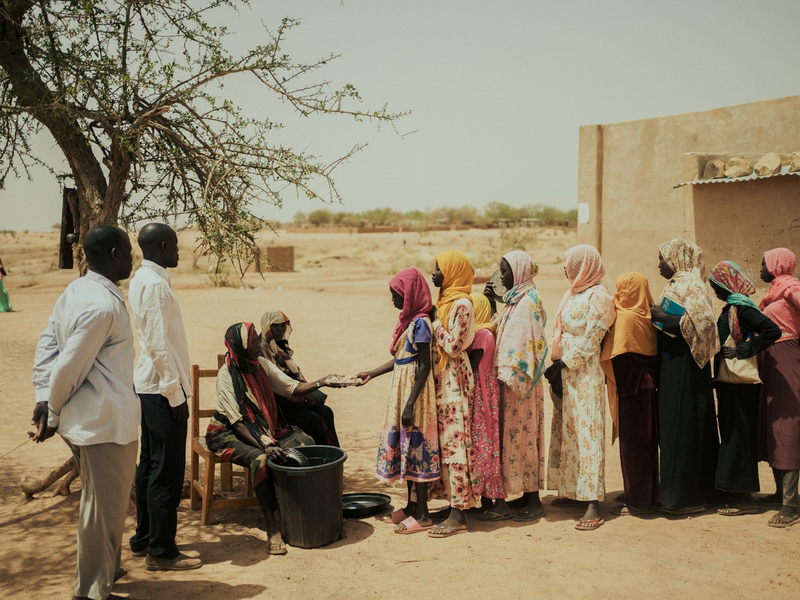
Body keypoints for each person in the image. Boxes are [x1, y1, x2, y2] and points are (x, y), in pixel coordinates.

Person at [30, 224, 139, 600]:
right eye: (129, 252)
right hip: (103, 423)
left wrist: (43, 397)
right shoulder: (101, 305)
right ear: (114, 255)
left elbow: (47, 344)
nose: (132, 258)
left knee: (106, 503)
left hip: (90, 421)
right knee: (101, 509)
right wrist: (51, 411)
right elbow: (69, 366)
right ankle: (91, 591)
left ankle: (107, 569)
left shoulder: (77, 290)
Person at [205, 322, 338, 554]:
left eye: (258, 339)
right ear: (241, 346)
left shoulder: (261, 364)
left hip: (262, 428)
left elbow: (292, 388)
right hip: (227, 432)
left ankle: (299, 509)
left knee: (305, 443)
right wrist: (266, 445)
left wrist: (322, 381)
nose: (259, 344)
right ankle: (272, 527)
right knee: (262, 460)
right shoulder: (226, 376)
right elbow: (238, 423)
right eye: (253, 341)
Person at [127, 224, 202, 571]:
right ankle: (161, 551)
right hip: (161, 390)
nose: (178, 251)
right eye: (174, 245)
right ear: (162, 246)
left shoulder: (143, 278)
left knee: (149, 465)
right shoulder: (155, 285)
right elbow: (158, 345)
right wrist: (175, 395)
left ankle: (145, 539)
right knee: (166, 472)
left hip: (149, 386)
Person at [356, 268, 440, 534]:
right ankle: (412, 507)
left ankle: (424, 514)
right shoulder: (409, 322)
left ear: (410, 295)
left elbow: (424, 366)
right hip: (403, 391)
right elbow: (402, 359)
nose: (393, 300)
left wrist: (410, 403)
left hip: (415, 394)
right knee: (407, 448)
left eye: (397, 295)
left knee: (417, 449)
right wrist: (372, 373)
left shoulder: (421, 323)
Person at [545, 244, 615, 531]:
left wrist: (564, 363)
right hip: (566, 374)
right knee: (569, 430)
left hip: (586, 374)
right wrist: (557, 365)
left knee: (589, 433)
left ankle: (593, 504)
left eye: (569, 264)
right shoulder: (573, 293)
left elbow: (593, 338)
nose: (565, 269)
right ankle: (573, 491)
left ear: (583, 265)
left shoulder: (599, 296)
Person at [649, 239, 719, 515]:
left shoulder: (692, 286)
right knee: (672, 426)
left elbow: (705, 325)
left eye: (662, 258)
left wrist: (665, 318)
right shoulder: (675, 285)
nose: (659, 264)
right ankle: (675, 491)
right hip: (671, 364)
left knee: (681, 425)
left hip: (686, 368)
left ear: (678, 258)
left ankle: (680, 498)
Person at [708, 261, 780, 517]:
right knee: (732, 435)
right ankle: (733, 491)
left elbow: (772, 331)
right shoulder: (732, 308)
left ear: (726, 285)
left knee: (739, 436)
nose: (714, 291)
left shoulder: (742, 308)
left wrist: (743, 350)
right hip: (730, 384)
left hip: (740, 386)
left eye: (716, 286)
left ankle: (745, 498)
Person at [481, 251, 548, 522]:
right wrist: (491, 304)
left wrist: (512, 373)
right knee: (515, 440)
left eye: (505, 271)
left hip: (521, 382)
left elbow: (526, 342)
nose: (501, 276)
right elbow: (501, 329)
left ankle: (534, 502)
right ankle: (527, 495)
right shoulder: (514, 300)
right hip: (510, 382)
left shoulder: (530, 300)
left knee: (524, 438)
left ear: (519, 271)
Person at [428, 249, 480, 537]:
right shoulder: (445, 302)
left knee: (456, 442)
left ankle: (459, 513)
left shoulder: (462, 305)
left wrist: (435, 322)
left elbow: (454, 346)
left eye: (438, 269)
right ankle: (452, 504)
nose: (433, 274)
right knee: (445, 443)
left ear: (452, 272)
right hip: (443, 379)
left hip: (455, 379)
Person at [600, 273, 659, 516]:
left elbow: (617, 353)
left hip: (632, 388)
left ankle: (638, 500)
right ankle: (644, 493)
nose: (617, 295)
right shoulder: (647, 314)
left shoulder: (626, 319)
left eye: (621, 289)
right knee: (645, 443)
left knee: (633, 446)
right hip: (646, 386)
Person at [756, 248, 800, 527]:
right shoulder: (775, 292)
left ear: (777, 265)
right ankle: (780, 493)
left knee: (787, 428)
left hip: (786, 362)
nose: (761, 268)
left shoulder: (791, 289)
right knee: (773, 427)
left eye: (764, 263)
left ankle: (791, 506)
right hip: (772, 364)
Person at [260, 310, 339, 446]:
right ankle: (321, 455)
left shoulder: (280, 348)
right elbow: (275, 385)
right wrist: (303, 397)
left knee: (326, 412)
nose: (280, 329)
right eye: (275, 326)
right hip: (278, 404)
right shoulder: (263, 351)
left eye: (283, 325)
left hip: (292, 396)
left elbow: (295, 376)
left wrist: (307, 392)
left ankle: (335, 453)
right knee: (312, 419)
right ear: (267, 327)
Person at [468, 292, 506, 518]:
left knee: (485, 445)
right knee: (482, 445)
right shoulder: (484, 332)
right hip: (483, 393)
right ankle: (485, 499)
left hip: (482, 395)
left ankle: (497, 500)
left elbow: (471, 365)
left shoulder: (482, 335)